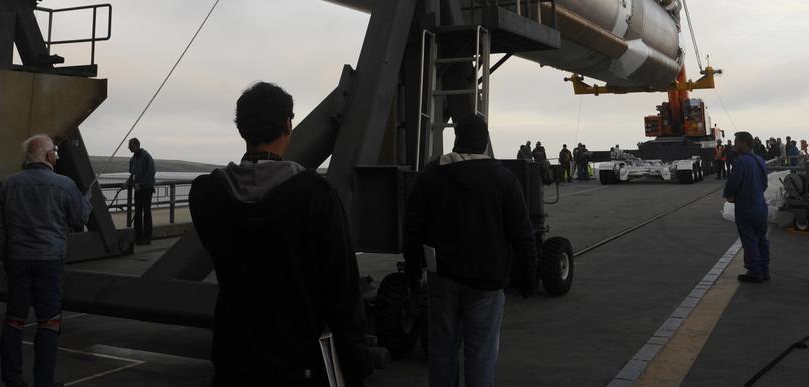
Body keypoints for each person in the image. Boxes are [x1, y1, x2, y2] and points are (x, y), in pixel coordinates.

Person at [189, 82, 371, 386]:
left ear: (241, 128)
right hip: (296, 366)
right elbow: (343, 293)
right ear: (288, 124)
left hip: (232, 363)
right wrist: (356, 364)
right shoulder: (316, 196)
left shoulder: (206, 194)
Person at [403, 113, 536, 387]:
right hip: (487, 282)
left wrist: (413, 269)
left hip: (444, 278)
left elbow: (413, 226)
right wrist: (528, 276)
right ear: (485, 142)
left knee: (442, 350)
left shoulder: (430, 175)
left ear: (457, 140)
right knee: (481, 354)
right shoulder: (503, 179)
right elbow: (522, 233)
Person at [0, 134, 90, 387]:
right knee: (48, 321)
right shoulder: (65, 184)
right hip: (50, 261)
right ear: (48, 156)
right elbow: (79, 220)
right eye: (55, 153)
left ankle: (12, 380)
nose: (56, 156)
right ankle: (43, 382)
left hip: (17, 259)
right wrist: (86, 203)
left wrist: (7, 257)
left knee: (14, 319)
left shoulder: (9, 184)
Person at [723, 131, 769, 284]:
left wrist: (729, 194)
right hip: (761, 206)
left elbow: (733, 183)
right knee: (761, 239)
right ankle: (765, 270)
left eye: (737, 141)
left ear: (745, 143)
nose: (735, 144)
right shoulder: (760, 160)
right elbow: (764, 184)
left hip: (746, 207)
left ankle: (755, 272)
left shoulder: (741, 162)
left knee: (749, 240)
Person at [126, 137, 156, 245]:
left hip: (146, 189)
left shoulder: (146, 157)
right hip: (138, 189)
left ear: (137, 145)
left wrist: (141, 184)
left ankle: (147, 237)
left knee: (146, 212)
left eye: (131, 146)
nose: (129, 148)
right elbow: (133, 174)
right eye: (129, 146)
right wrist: (127, 183)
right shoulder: (133, 159)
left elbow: (151, 172)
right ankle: (137, 236)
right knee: (138, 212)